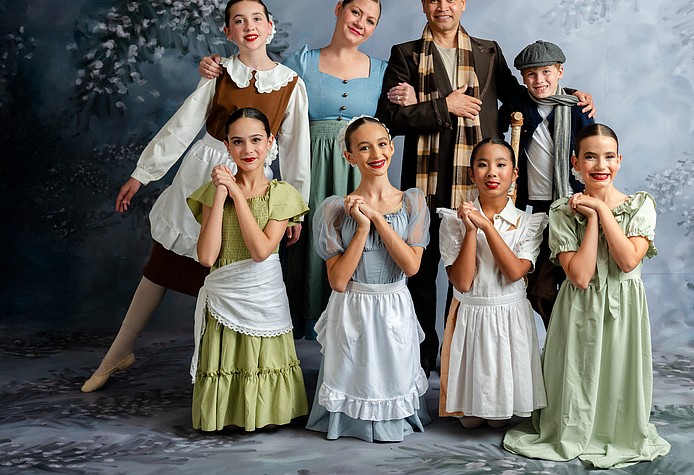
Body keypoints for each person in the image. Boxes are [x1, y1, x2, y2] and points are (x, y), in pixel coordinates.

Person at [81, 0, 310, 393]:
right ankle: (117, 352)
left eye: (257, 18)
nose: (249, 26)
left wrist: (294, 211)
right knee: (162, 266)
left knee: (234, 274)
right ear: (228, 32)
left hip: (253, 189)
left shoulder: (291, 83)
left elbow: (295, 149)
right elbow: (183, 124)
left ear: (271, 27)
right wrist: (143, 173)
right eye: (239, 21)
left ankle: (233, 377)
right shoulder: (218, 73)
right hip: (203, 175)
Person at [377, 0, 594, 375]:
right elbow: (388, 119)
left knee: (472, 271)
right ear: (423, 5)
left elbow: (521, 96)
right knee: (422, 273)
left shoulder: (487, 51)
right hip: (427, 183)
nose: (442, 7)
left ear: (463, 1)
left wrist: (570, 96)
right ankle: (424, 359)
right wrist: (444, 106)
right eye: (433, 0)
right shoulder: (405, 53)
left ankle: (457, 358)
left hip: (480, 183)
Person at [199, 0, 400, 339]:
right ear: (338, 9)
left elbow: (396, 119)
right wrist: (215, 67)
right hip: (311, 160)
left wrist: (410, 97)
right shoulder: (301, 62)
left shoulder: (383, 71)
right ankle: (304, 322)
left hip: (359, 169)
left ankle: (352, 330)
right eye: (355, 12)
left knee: (357, 237)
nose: (360, 24)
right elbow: (259, 84)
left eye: (370, 21)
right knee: (308, 240)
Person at [503, 124, 671, 468]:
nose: (600, 165)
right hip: (579, 307)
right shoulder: (561, 211)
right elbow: (579, 276)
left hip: (623, 306)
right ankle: (574, 427)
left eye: (609, 156)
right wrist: (592, 219)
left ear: (620, 161)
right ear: (575, 163)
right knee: (576, 373)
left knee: (618, 373)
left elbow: (626, 261)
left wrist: (602, 210)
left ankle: (613, 430)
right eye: (590, 157)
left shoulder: (640, 206)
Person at [306, 116, 430, 443]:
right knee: (351, 369)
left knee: (393, 369)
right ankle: (349, 423)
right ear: (350, 157)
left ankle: (392, 420)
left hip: (393, 302)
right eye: (363, 147)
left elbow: (411, 266)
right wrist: (361, 227)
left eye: (381, 144)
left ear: (391, 147)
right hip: (352, 304)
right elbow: (338, 281)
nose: (375, 153)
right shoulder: (334, 209)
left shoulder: (412, 201)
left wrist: (377, 218)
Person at [187, 107, 309, 431]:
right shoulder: (216, 191)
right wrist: (222, 193)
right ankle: (227, 414)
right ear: (227, 146)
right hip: (225, 292)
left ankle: (265, 413)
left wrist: (238, 196)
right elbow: (206, 256)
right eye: (238, 142)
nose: (248, 150)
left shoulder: (281, 194)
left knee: (262, 358)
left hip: (260, 292)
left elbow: (260, 250)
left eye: (256, 140)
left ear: (270, 141)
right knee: (227, 360)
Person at [437, 138, 547, 429]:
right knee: (470, 420)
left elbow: (514, 273)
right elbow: (461, 281)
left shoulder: (529, 223)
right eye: (482, 165)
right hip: (471, 316)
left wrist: (487, 225)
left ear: (515, 173)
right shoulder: (452, 221)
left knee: (500, 419)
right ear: (471, 174)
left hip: (509, 317)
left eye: (501, 165)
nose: (492, 173)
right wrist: (471, 230)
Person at [509, 40, 595, 327]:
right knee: (539, 289)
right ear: (523, 78)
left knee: (576, 280)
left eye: (546, 72)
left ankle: (574, 339)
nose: (539, 80)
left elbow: (592, 158)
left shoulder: (578, 109)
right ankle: (562, 336)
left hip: (572, 204)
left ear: (560, 71)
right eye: (531, 74)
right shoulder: (518, 104)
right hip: (537, 208)